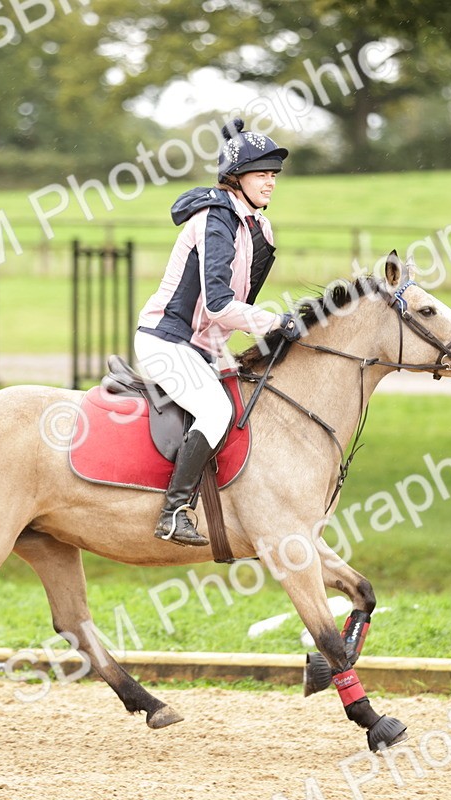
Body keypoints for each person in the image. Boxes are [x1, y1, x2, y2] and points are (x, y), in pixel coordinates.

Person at [134, 118, 305, 547]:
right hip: (166, 342)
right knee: (214, 412)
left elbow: (231, 310)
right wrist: (274, 321)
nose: (271, 181)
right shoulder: (217, 219)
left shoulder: (256, 227)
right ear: (236, 178)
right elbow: (218, 304)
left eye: (273, 174)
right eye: (262, 173)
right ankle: (173, 512)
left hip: (203, 350)